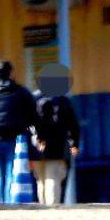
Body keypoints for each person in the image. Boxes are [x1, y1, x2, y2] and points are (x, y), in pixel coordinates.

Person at [0, 60, 37, 204]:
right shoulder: (21, 91)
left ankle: (2, 202)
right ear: (11, 72)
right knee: (12, 172)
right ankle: (10, 203)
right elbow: (33, 114)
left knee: (0, 175)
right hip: (14, 140)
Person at [31, 70, 80, 205]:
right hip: (58, 146)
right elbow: (74, 126)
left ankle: (43, 207)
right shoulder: (64, 101)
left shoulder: (33, 99)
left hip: (37, 146)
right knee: (53, 178)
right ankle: (52, 208)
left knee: (41, 180)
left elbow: (29, 123)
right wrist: (74, 144)